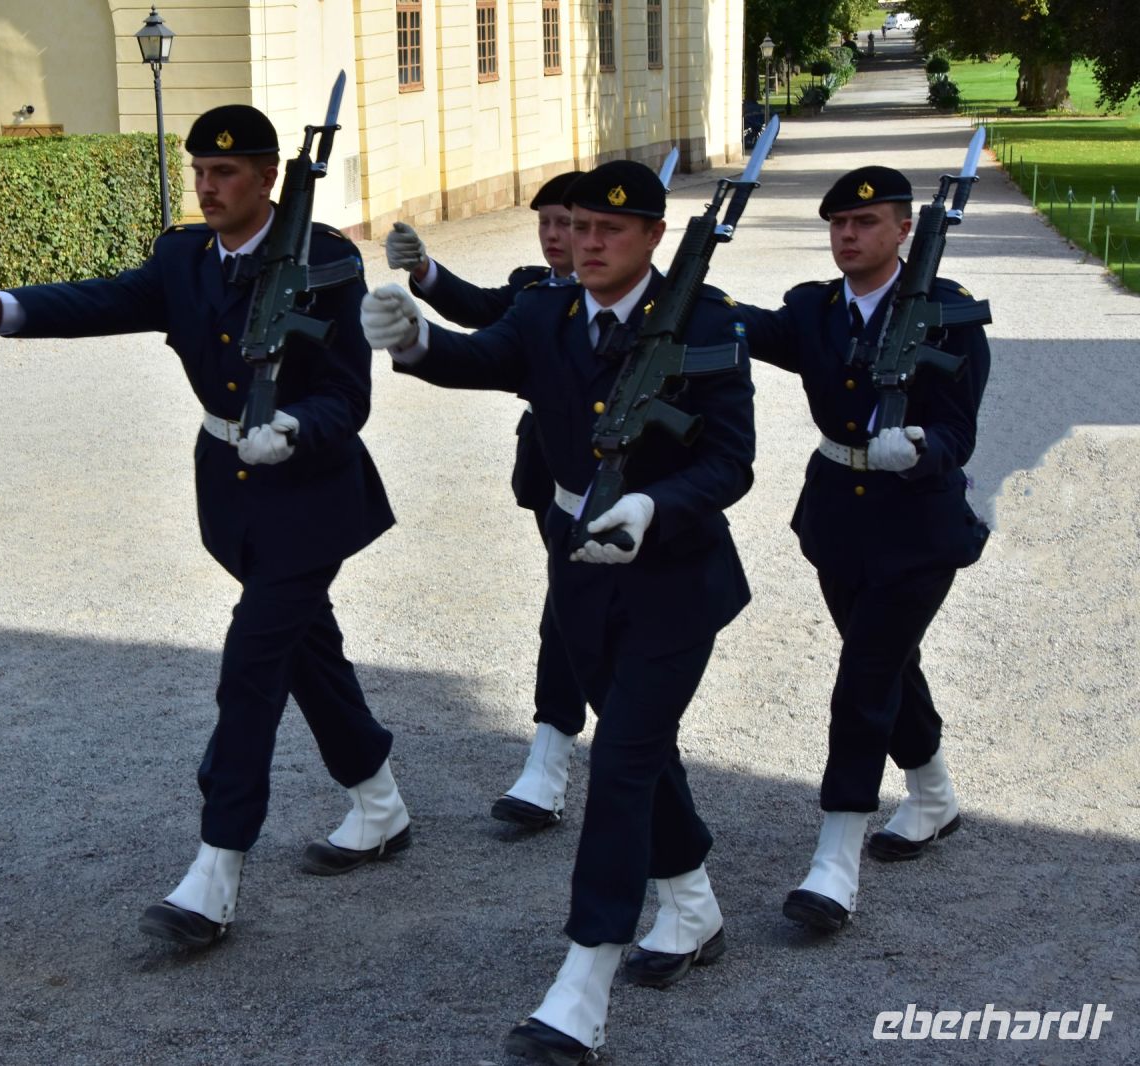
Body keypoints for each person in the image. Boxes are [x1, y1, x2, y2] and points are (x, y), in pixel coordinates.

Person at [0, 104, 409, 951]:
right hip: (228, 493)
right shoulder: (183, 256)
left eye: (226, 173)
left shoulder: (325, 260)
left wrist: (295, 427)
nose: (208, 185)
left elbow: (348, 396)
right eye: (199, 171)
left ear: (269, 178)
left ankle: (215, 873)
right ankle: (378, 800)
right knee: (304, 647)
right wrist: (1, 307)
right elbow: (106, 299)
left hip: (308, 497)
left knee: (252, 666)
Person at [361, 161, 754, 1065]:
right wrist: (412, 342)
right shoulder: (546, 310)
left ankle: (583, 983)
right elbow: (482, 359)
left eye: (608, 231)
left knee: (618, 763)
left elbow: (730, 461)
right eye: (575, 228)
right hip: (579, 566)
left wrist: (654, 507)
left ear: (655, 236)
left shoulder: (705, 319)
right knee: (638, 746)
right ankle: (693, 906)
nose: (585, 245)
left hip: (674, 577)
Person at [736, 166, 990, 933]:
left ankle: (834, 863)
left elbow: (958, 429)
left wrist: (919, 445)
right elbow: (747, 329)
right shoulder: (815, 309)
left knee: (863, 678)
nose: (850, 236)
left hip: (916, 530)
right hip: (836, 523)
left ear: (905, 229)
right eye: (840, 224)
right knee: (887, 662)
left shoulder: (948, 316)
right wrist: (667, 292)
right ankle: (936, 796)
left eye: (868, 222)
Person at [384, 172, 591, 831]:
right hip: (552, 472)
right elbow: (479, 314)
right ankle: (551, 763)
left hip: (630, 486)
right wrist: (425, 273)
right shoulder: (533, 287)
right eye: (547, 223)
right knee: (568, 605)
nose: (556, 236)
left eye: (568, 222)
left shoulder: (642, 300)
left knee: (583, 612)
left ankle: (567, 761)